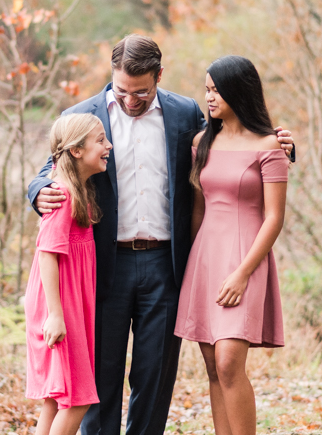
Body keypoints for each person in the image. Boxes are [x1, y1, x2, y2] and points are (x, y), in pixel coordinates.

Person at [28, 35, 294, 435]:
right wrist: (37, 192)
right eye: (121, 90)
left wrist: (279, 141)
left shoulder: (185, 113)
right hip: (104, 264)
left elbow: (233, 139)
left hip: (165, 264)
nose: (130, 100)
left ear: (159, 76)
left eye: (141, 91)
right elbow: (50, 169)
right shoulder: (83, 115)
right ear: (111, 77)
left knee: (154, 376)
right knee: (102, 374)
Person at [174, 55, 288, 435]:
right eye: (206, 89)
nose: (209, 97)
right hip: (205, 257)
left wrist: (242, 273)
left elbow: (274, 218)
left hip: (245, 259)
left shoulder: (269, 144)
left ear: (238, 91)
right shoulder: (201, 142)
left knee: (228, 363)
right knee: (211, 367)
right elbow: (198, 209)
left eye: (216, 89)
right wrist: (189, 267)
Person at [25, 113, 113, 435]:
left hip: (69, 301)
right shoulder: (63, 196)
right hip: (59, 304)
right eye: (100, 141)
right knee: (77, 399)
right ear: (76, 151)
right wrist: (56, 316)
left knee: (56, 397)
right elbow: (47, 253)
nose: (109, 146)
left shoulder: (78, 191)